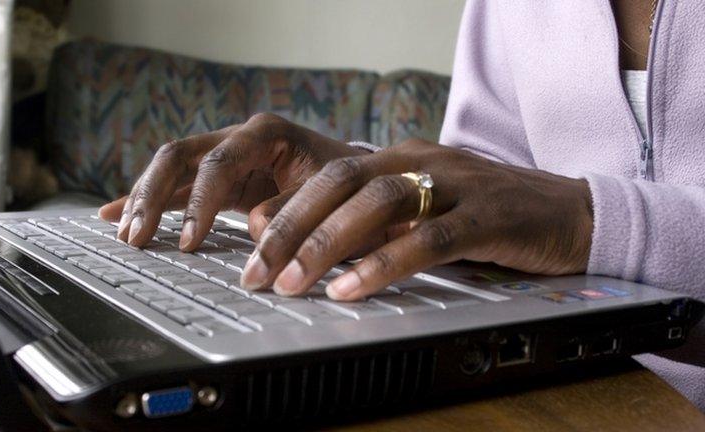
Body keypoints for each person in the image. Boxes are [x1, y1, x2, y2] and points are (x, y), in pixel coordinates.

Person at [99, 0, 705, 409]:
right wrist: (357, 179)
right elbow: (490, 182)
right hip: (556, 398)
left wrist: (591, 220)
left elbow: (549, 208)